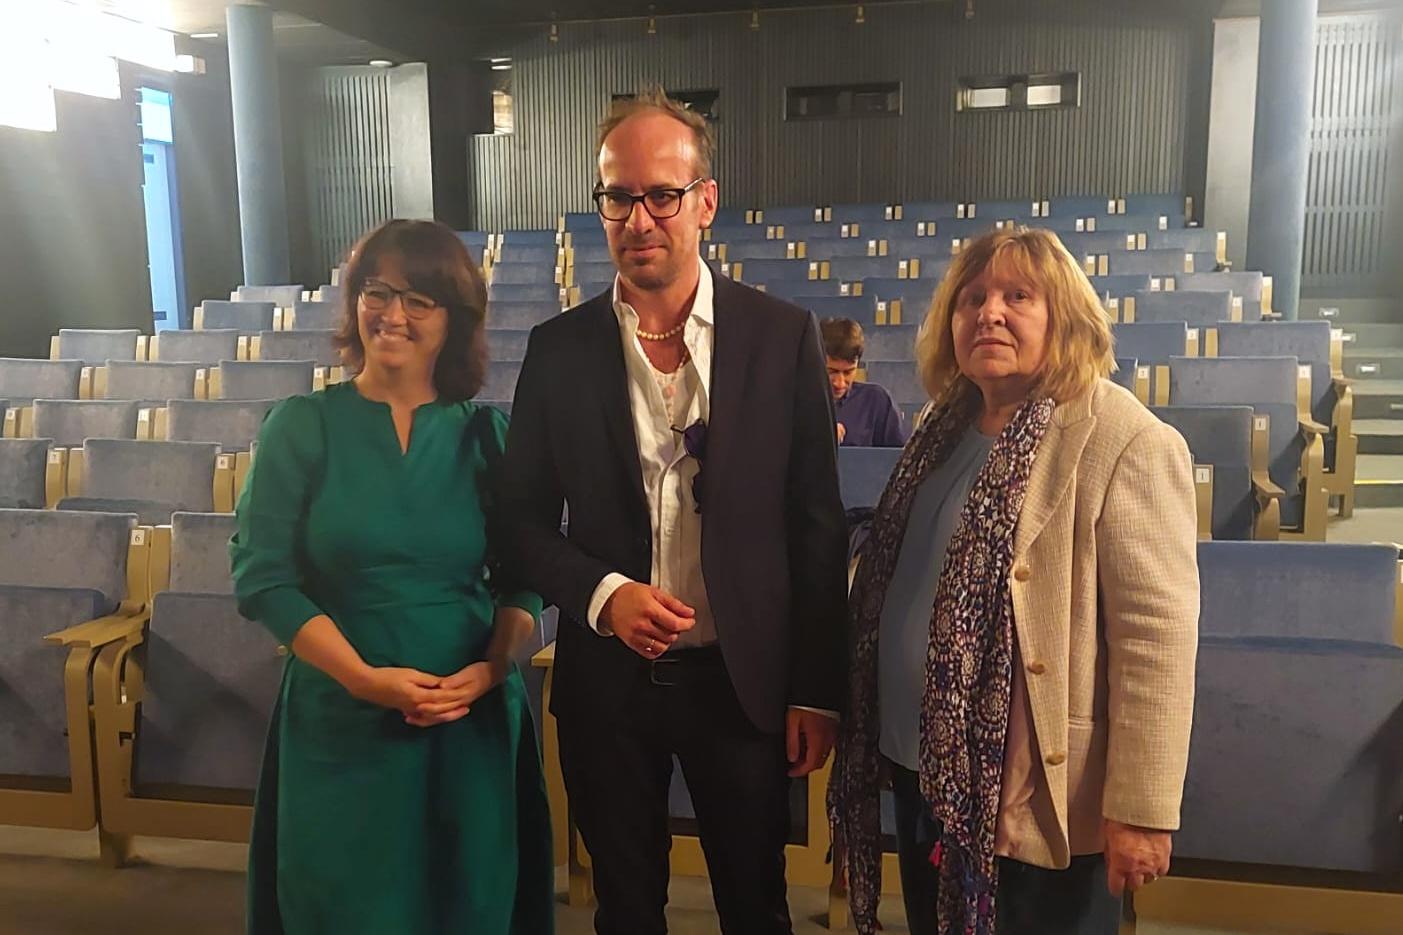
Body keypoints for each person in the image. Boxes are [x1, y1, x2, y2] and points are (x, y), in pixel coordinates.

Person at [501, 88, 849, 935]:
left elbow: (814, 523)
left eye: (662, 194)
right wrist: (603, 595)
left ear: (705, 202)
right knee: (624, 911)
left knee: (755, 907)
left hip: (742, 684)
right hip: (607, 688)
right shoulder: (558, 350)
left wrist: (816, 690)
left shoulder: (781, 337)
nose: (639, 218)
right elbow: (517, 526)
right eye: (618, 196)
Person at [829, 227, 1199, 935]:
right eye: (971, 298)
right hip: (923, 768)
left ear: (1065, 316)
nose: (988, 313)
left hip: (1033, 791)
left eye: (1017, 296)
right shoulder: (943, 427)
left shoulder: (1124, 439)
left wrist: (1142, 808)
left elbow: (1156, 640)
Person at [230, 219, 553, 934]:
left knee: (467, 905)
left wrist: (492, 668)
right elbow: (263, 577)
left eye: (418, 299)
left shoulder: (487, 436)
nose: (392, 314)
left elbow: (525, 578)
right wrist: (363, 679)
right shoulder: (301, 426)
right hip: (341, 717)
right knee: (346, 909)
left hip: (465, 720)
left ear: (453, 318)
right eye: (377, 292)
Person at [821, 317, 908, 447]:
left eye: (848, 372)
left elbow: (899, 455)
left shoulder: (878, 401)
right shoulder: (796, 401)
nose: (840, 383)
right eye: (832, 372)